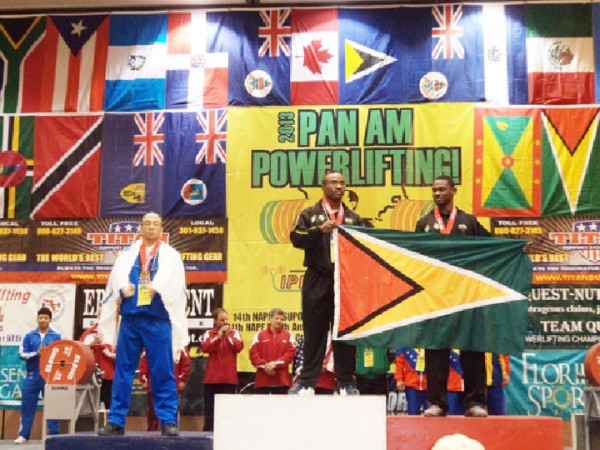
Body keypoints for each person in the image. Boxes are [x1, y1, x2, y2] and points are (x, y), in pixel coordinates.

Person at [97, 212, 189, 437]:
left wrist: (159, 286)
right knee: (123, 371)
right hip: (131, 319)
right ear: (140, 227)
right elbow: (115, 281)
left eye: (155, 224)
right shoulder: (127, 254)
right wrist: (122, 288)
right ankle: (117, 421)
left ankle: (168, 420)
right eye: (146, 224)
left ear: (161, 228)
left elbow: (177, 286)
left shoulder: (170, 256)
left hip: (158, 320)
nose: (150, 228)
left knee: (163, 370)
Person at [415, 175, 491, 418]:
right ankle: (437, 404)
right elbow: (413, 257)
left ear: (453, 191)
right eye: (434, 190)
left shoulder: (469, 222)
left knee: (472, 348)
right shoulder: (424, 224)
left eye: (442, 190)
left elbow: (492, 248)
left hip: (467, 294)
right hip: (436, 296)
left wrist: (516, 247)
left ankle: (475, 403)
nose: (437, 194)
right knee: (436, 350)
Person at [289, 170, 366, 395]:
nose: (339, 187)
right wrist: (318, 231)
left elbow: (365, 247)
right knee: (315, 331)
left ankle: (346, 382)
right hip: (317, 277)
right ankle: (307, 382)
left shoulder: (353, 218)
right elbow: (295, 238)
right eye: (333, 183)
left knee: (344, 330)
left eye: (342, 183)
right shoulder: (310, 214)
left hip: (344, 279)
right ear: (323, 187)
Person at [15, 307, 61, 444]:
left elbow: (60, 356)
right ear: (37, 319)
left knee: (53, 406)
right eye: (41, 317)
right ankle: (23, 435)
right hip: (32, 375)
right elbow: (22, 354)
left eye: (46, 318)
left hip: (50, 376)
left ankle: (53, 435)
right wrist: (36, 353)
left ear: (50, 320)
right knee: (27, 406)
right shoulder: (29, 335)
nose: (43, 320)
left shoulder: (56, 337)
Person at [200, 308, 243, 432]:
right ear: (215, 321)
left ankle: (227, 433)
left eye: (226, 319)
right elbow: (205, 348)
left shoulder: (234, 333)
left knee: (228, 410)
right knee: (210, 410)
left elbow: (238, 347)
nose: (225, 322)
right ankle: (208, 434)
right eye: (222, 320)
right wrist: (218, 337)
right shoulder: (209, 334)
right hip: (212, 379)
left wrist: (227, 336)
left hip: (229, 379)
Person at [140, 346, 191, 431]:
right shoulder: (150, 342)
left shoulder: (179, 344)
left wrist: (182, 379)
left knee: (172, 411)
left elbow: (186, 363)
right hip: (154, 384)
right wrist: (144, 378)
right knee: (153, 413)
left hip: (172, 385)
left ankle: (172, 431)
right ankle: (151, 433)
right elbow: (144, 362)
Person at [249, 308, 296, 394]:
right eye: (277, 318)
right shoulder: (259, 335)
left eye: (281, 319)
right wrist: (266, 366)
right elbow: (253, 355)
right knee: (261, 407)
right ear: (270, 319)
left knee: (280, 407)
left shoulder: (289, 335)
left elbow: (290, 355)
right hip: (262, 381)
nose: (279, 321)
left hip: (281, 381)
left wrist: (275, 364)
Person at [80, 309, 116, 411]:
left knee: (111, 410)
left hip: (109, 378)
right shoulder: (88, 333)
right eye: (101, 314)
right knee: (90, 410)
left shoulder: (115, 334)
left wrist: (103, 347)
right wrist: (91, 345)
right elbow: (80, 354)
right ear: (97, 315)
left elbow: (120, 357)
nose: (103, 317)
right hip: (91, 378)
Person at [394, 348, 428, 415]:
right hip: (412, 386)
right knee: (413, 415)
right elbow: (399, 362)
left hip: (429, 385)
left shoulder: (430, 342)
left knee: (432, 417)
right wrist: (399, 379)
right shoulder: (406, 342)